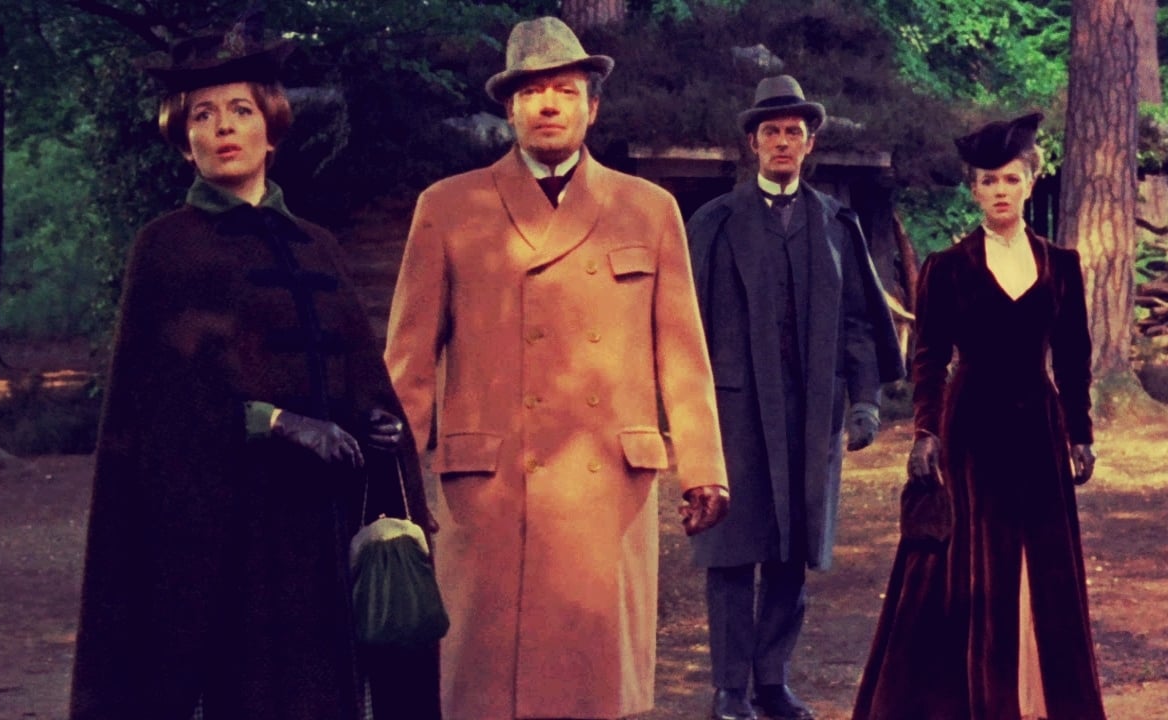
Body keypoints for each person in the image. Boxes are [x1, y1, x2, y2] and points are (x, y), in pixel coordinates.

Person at [68, 20, 438, 720]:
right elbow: (157, 407)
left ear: (271, 129)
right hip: (228, 530)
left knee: (325, 689)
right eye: (202, 116)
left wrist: (376, 421)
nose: (223, 127)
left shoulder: (316, 245)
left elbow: (357, 367)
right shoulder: (167, 248)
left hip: (323, 522)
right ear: (185, 142)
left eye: (240, 110)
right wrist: (276, 422)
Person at [384, 15, 730, 720]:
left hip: (606, 486)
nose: (549, 104)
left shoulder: (649, 209)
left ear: (592, 108)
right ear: (509, 110)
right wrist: (388, 484)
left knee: (592, 688)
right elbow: (410, 361)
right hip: (491, 488)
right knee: (488, 691)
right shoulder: (449, 208)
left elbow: (682, 353)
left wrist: (703, 466)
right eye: (532, 92)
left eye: (565, 90)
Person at [852, 112, 1107, 720]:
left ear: (1030, 183)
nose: (999, 190)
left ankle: (1038, 698)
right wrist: (926, 431)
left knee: (1042, 563)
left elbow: (1074, 357)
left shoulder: (1061, 265)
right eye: (988, 181)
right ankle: (973, 698)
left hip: (1039, 428)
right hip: (971, 430)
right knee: (970, 567)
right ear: (973, 190)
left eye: (1011, 179)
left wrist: (1080, 432)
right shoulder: (948, 267)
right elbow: (929, 359)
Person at [685, 75, 905, 720]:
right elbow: (685, 326)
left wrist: (863, 400)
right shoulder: (716, 222)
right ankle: (729, 689)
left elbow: (860, 320)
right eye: (771, 131)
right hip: (735, 411)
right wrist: (687, 416)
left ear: (810, 145)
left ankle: (771, 681)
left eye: (794, 132)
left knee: (792, 550)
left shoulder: (835, 224)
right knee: (732, 550)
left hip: (811, 412)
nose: (783, 142)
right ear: (753, 142)